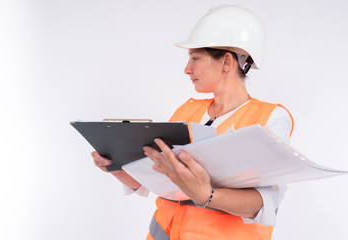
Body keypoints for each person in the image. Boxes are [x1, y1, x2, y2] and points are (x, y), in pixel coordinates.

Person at [92, 5, 293, 240]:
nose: (187, 69)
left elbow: (264, 204)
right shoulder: (186, 111)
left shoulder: (270, 119)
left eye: (195, 58)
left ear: (227, 62)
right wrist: (114, 165)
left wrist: (206, 194)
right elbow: (153, 182)